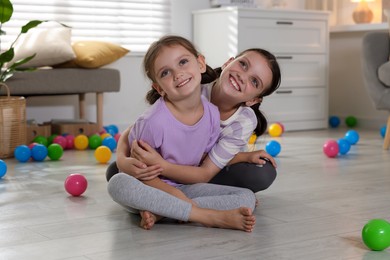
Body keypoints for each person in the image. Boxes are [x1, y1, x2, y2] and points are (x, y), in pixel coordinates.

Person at [108, 35, 257, 232]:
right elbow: (143, 175)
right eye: (166, 72)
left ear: (201, 64)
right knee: (118, 183)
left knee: (247, 197)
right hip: (151, 188)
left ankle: (164, 212)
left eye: (183, 62)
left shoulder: (212, 113)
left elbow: (205, 158)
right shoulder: (154, 122)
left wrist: (243, 157)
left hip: (186, 187)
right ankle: (206, 216)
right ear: (159, 88)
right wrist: (175, 195)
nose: (178, 74)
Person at [107, 48, 281, 193]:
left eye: (254, 81)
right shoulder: (190, 89)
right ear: (228, 62)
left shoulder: (244, 121)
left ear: (253, 100)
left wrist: (162, 166)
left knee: (263, 173)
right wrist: (122, 159)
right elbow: (135, 130)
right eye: (243, 64)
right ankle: (194, 195)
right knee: (116, 171)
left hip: (205, 170)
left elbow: (207, 169)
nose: (243, 76)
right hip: (173, 164)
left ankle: (175, 195)